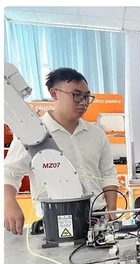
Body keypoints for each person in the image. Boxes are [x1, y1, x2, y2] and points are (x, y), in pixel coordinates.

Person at [4, 67, 119, 235]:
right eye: (77, 95)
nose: (84, 102)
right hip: (55, 221)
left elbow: (108, 173)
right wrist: (8, 202)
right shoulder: (33, 134)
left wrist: (112, 209)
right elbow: (10, 173)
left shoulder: (96, 134)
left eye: (87, 96)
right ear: (54, 93)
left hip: (98, 219)